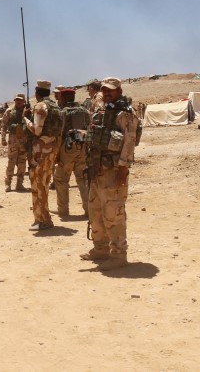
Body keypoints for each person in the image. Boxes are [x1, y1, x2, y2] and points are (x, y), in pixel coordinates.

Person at [81, 77, 139, 271]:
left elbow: (129, 142)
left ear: (119, 92)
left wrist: (123, 170)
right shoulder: (102, 110)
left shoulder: (126, 113)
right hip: (97, 169)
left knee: (113, 212)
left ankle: (119, 254)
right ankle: (100, 248)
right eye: (105, 90)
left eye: (111, 91)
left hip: (113, 171)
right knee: (95, 210)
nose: (107, 93)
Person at [23, 80, 63, 230]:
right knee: (44, 182)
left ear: (37, 93)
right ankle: (40, 217)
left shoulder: (41, 106)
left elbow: (37, 130)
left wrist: (25, 119)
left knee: (39, 183)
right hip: (52, 148)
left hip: (41, 150)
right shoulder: (56, 107)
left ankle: (44, 220)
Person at [54, 88, 90, 217]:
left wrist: (56, 154)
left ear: (63, 98)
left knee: (61, 179)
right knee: (83, 178)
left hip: (68, 148)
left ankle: (63, 210)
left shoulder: (63, 112)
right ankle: (88, 209)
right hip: (83, 147)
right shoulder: (84, 110)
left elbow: (60, 133)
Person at [1, 93, 29, 192]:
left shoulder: (27, 112)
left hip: (24, 140)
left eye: (20, 100)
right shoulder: (9, 111)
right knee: (11, 162)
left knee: (22, 163)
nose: (18, 101)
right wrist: (3, 138)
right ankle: (8, 183)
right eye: (17, 100)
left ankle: (19, 184)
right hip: (13, 140)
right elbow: (4, 125)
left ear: (24, 101)